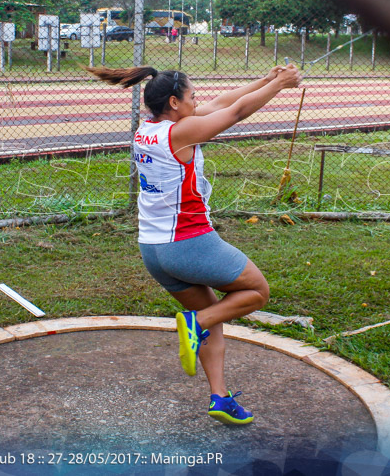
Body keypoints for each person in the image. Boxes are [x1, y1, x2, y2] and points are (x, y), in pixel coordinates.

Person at [87, 62, 302, 425]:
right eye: (191, 96)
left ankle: (219, 397)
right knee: (256, 292)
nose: (197, 100)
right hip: (188, 243)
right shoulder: (179, 133)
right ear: (174, 102)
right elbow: (233, 112)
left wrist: (265, 79)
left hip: (154, 251)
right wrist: (280, 85)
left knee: (214, 321)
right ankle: (195, 322)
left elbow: (220, 103)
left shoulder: (150, 127)